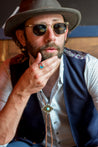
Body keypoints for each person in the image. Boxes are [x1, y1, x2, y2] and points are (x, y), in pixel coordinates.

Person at [0, 0, 98, 146]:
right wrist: (22, 90)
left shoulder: (89, 66)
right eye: (40, 29)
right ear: (22, 37)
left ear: (65, 33)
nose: (51, 37)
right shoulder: (9, 70)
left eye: (58, 27)